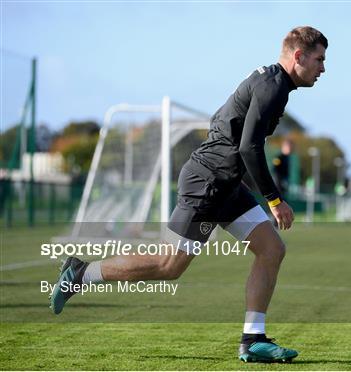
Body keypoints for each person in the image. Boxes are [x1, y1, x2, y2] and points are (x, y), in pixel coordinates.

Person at [50, 26, 327, 363]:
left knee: (271, 249)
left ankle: (253, 339)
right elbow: (249, 147)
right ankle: (81, 273)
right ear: (298, 56)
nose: (323, 68)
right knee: (169, 265)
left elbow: (224, 123)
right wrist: (274, 199)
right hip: (208, 185)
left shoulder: (271, 81)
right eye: (319, 59)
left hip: (226, 185)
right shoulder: (273, 87)